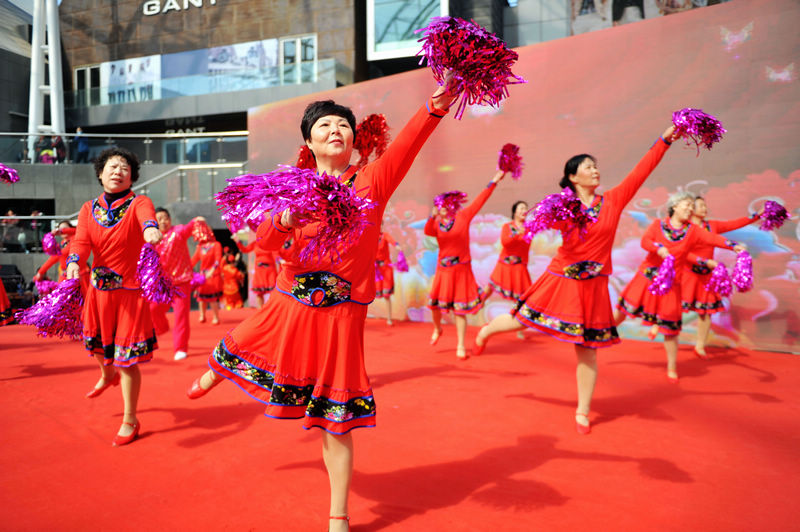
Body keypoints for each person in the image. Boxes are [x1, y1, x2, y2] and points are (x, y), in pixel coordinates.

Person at [186, 74, 460, 531]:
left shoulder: (371, 179)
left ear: (354, 140)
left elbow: (411, 141)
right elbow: (269, 240)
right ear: (308, 141)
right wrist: (286, 216)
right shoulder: (292, 186)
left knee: (337, 417)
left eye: (343, 125)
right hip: (288, 300)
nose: (336, 130)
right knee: (243, 340)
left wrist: (439, 101)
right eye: (325, 125)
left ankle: (338, 515)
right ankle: (214, 370)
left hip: (341, 314)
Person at [474, 122, 682, 435]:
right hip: (560, 279)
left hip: (594, 287)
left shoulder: (613, 200)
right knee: (521, 320)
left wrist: (665, 140)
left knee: (588, 349)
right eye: (588, 167)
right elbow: (535, 228)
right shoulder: (561, 206)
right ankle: (486, 332)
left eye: (596, 166)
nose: (595, 171)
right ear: (573, 177)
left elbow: (642, 170)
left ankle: (583, 411)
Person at [66, 147, 162, 446]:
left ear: (132, 176)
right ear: (100, 173)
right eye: (112, 166)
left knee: (126, 360)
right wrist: (73, 261)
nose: (118, 171)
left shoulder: (139, 202)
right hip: (98, 294)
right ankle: (106, 375)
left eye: (124, 167)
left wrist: (150, 231)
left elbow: (147, 219)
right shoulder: (87, 208)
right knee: (96, 347)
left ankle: (129, 419)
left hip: (129, 296)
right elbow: (81, 241)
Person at [614, 192, 745, 382]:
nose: (690, 209)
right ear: (674, 206)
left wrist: (734, 246)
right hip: (648, 277)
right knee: (623, 310)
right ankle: (602, 332)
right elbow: (645, 241)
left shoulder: (692, 230)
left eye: (692, 206)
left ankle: (672, 366)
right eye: (687, 205)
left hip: (670, 284)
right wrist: (658, 248)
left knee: (671, 327)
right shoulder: (658, 225)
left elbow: (713, 239)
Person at [426, 170, 508, 359]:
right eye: (439, 206)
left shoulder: (464, 216)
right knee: (435, 306)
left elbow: (481, 199)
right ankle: (438, 329)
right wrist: (432, 215)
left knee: (459, 310)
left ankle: (461, 345)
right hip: (443, 271)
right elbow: (429, 231)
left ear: (452, 205)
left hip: (461, 270)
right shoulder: (437, 224)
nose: (442, 208)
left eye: (445, 205)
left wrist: (494, 180)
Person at [681, 196, 761, 358]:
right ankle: (658, 326)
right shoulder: (684, 228)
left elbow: (734, 224)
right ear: (691, 209)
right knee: (675, 306)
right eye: (700, 206)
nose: (704, 208)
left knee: (706, 311)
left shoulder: (712, 226)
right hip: (687, 273)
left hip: (707, 275)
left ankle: (700, 345)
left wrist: (756, 216)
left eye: (705, 205)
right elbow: (682, 252)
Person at [150, 208, 202, 361]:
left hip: (181, 282)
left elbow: (189, 228)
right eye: (159, 219)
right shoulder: (151, 240)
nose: (163, 221)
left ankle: (180, 348)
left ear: (170, 220)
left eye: (165, 218)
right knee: (152, 308)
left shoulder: (178, 232)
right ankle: (162, 328)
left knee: (180, 316)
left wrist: (196, 220)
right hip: (162, 284)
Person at [483, 201, 532, 302]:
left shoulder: (528, 229)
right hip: (504, 264)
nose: (524, 211)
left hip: (519, 266)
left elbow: (526, 245)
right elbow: (506, 242)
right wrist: (517, 234)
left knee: (524, 295)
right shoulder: (507, 226)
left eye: (526, 209)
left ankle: (517, 315)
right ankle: (478, 303)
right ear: (515, 212)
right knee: (490, 287)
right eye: (521, 208)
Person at [33, 220, 89, 292]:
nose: (62, 230)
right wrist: (40, 272)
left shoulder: (76, 239)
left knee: (81, 301)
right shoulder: (61, 244)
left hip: (78, 276)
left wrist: (62, 231)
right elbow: (52, 259)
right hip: (64, 277)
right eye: (60, 228)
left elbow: (77, 231)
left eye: (65, 228)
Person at [190, 220, 222, 324]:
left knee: (212, 298)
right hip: (202, 276)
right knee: (201, 298)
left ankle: (215, 316)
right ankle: (202, 315)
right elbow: (194, 260)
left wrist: (212, 270)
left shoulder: (216, 245)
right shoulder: (200, 247)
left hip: (212, 275)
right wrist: (185, 267)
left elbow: (218, 259)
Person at [233, 233, 277, 308]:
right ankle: (260, 311)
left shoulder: (271, 243)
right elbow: (245, 249)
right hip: (259, 271)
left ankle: (272, 310)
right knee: (259, 292)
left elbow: (277, 254)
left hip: (269, 270)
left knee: (273, 293)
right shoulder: (255, 243)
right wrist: (237, 241)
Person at [374, 228, 402, 325]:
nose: (379, 226)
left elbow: (392, 241)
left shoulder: (384, 235)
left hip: (385, 268)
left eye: (381, 224)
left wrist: (397, 246)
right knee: (369, 294)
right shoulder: (371, 236)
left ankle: (389, 318)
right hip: (375, 269)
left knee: (387, 295)